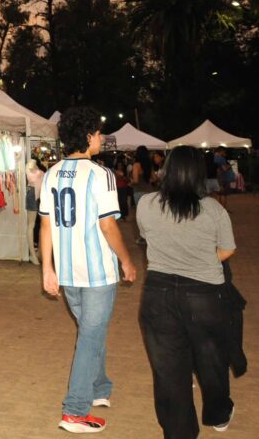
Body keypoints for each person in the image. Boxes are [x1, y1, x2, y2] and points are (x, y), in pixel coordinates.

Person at [39, 106, 137, 434]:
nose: (100, 138)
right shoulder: (100, 174)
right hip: (96, 272)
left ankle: (99, 388)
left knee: (90, 333)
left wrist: (48, 269)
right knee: (91, 335)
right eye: (96, 132)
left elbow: (45, 225)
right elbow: (108, 225)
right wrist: (126, 259)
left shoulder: (51, 173)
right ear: (86, 136)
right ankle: (75, 411)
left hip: (68, 272)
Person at [137, 145, 237, 437]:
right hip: (204, 295)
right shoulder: (213, 209)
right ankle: (218, 412)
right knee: (212, 360)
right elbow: (228, 249)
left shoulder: (146, 204)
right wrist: (202, 259)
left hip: (159, 295)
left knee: (169, 371)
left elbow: (147, 237)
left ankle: (179, 432)